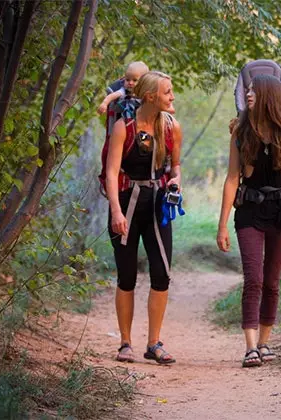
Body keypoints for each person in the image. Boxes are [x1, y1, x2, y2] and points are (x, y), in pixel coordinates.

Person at [216, 74, 281, 368]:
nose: (248, 94)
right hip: (249, 212)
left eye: (254, 91)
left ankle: (266, 343)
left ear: (268, 96)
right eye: (248, 90)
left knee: (272, 282)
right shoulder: (240, 130)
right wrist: (222, 224)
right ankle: (251, 347)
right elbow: (232, 178)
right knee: (253, 279)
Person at [106, 71, 182, 364]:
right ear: (151, 97)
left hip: (158, 206)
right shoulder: (122, 128)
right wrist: (115, 211)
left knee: (161, 274)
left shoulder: (172, 128)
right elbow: (112, 174)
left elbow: (175, 168)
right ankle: (125, 343)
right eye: (168, 92)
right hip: (126, 203)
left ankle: (154, 343)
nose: (172, 97)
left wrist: (176, 182)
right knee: (127, 276)